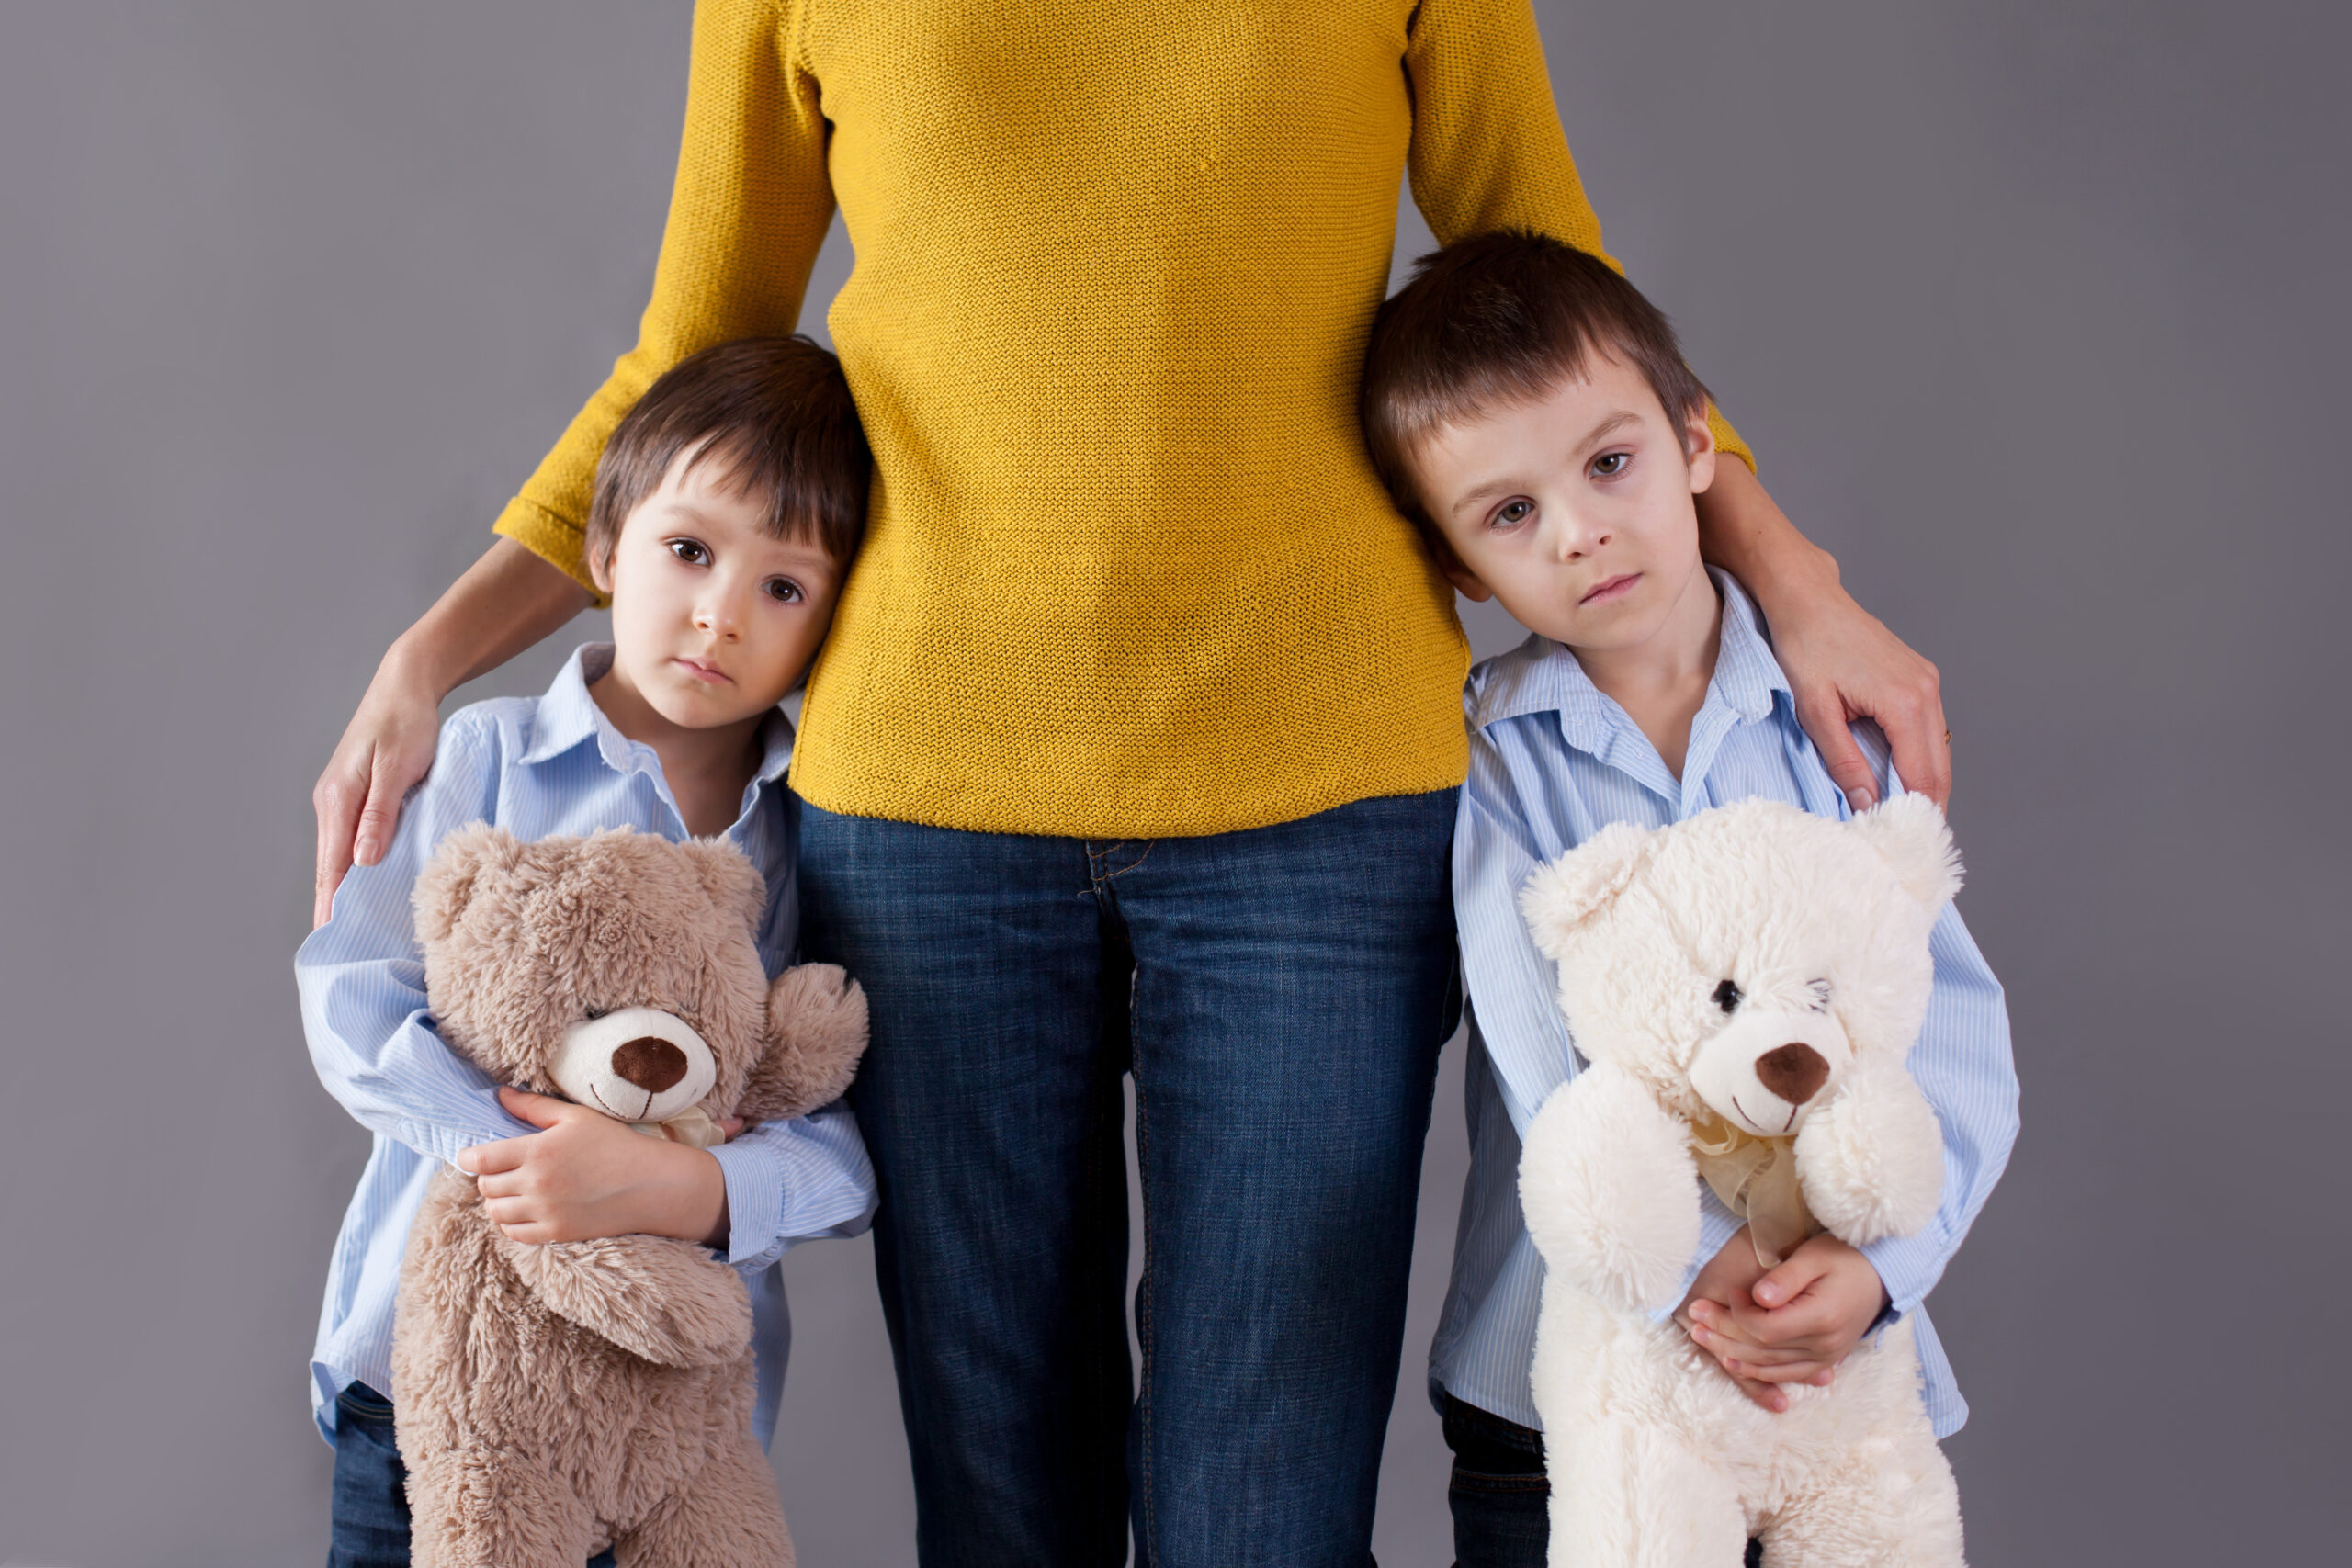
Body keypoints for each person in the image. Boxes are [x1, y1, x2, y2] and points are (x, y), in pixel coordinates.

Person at [310, 4, 1953, 1562]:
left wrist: (1795, 582)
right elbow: (695, 350)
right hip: (929, 805)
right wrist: (426, 657)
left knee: (1272, 1512)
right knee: (1004, 1500)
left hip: (1321, 798)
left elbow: (1568, 302)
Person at [1357, 229, 2018, 1566]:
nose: (1581, 530)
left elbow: (1945, 1024)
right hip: (1566, 1385)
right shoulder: (1495, 756)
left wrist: (1883, 1271)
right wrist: (1680, 1270)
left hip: (1831, 1371)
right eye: (1510, 513)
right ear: (1467, 567)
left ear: (1699, 449)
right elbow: (1545, 1044)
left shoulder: (1832, 726)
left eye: (1610, 465)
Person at [299, 337, 879, 1567]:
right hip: (432, 1409)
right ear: (607, 551)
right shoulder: (480, 764)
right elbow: (351, 1000)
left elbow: (837, 1130)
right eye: (689, 551)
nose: (720, 612)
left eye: (785, 589)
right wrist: (520, 1157)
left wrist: (699, 1192)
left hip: (665, 1453)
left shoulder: (801, 842)